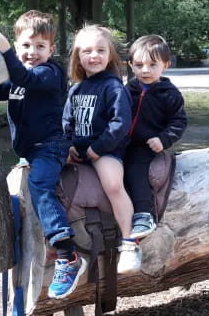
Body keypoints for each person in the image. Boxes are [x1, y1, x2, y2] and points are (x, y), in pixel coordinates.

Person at [0, 10, 86, 299]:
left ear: (52, 49)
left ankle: (67, 254)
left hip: (50, 146)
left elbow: (22, 76)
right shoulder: (20, 78)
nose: (32, 52)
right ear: (18, 44)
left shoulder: (49, 74)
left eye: (40, 46)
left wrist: (4, 47)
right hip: (31, 150)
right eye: (25, 45)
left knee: (40, 185)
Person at [62, 24, 141, 274]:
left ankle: (129, 242)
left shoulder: (113, 87)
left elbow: (120, 124)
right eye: (86, 51)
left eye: (100, 50)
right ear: (78, 57)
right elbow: (67, 122)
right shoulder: (75, 89)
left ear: (110, 56)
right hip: (80, 149)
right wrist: (70, 144)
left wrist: (98, 148)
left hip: (106, 149)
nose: (93, 56)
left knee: (113, 185)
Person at [124, 35, 187, 239]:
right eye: (139, 64)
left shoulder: (169, 94)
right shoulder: (128, 90)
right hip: (121, 141)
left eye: (152, 65)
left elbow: (178, 122)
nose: (145, 70)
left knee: (135, 169)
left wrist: (163, 139)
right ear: (131, 65)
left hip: (146, 146)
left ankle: (144, 214)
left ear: (165, 65)